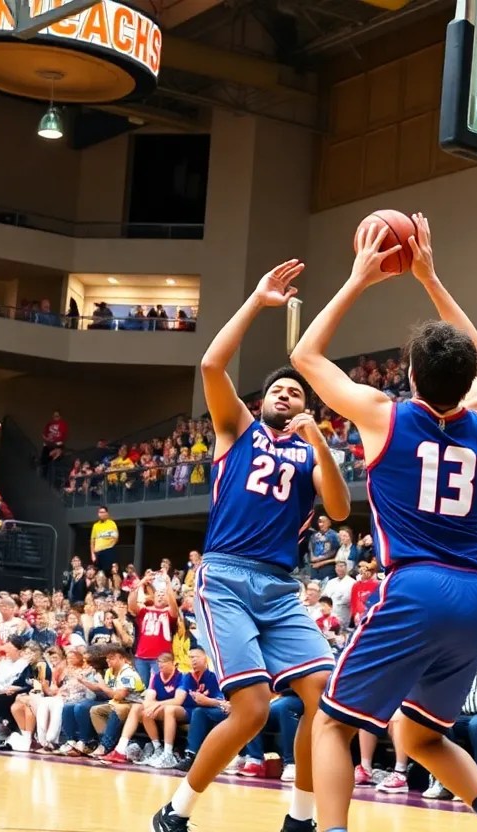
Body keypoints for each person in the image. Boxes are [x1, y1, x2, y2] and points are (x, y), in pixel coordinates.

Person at [291, 215, 477, 832]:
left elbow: (304, 355)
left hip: (417, 586)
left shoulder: (384, 416)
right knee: (423, 735)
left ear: (411, 375)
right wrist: (430, 277)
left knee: (331, 722)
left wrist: (356, 280)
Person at [151, 260, 351, 832]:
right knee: (253, 706)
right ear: (262, 400)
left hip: (282, 587)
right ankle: (176, 811)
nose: (287, 395)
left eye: (295, 392)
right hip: (227, 577)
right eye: (279, 390)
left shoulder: (311, 450)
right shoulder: (236, 428)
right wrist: (258, 301)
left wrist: (321, 442)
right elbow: (212, 362)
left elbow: (337, 510)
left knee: (324, 696)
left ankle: (301, 818)